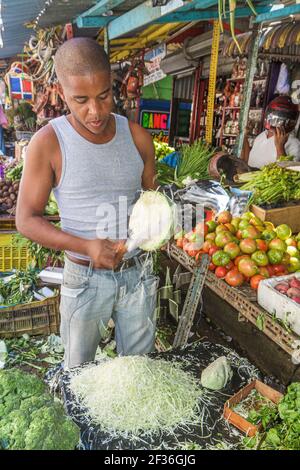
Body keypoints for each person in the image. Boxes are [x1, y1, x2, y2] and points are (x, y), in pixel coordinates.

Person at [16, 38, 158, 369]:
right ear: (60, 92)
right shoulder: (48, 142)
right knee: (78, 374)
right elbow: (26, 219)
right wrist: (85, 245)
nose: (95, 111)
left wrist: (159, 226)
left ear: (113, 85)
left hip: (137, 274)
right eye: (80, 100)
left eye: (104, 96)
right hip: (84, 278)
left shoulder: (137, 137)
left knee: (138, 372)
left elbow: (152, 201)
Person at [241, 96, 300, 168]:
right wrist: (244, 137)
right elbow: (249, 161)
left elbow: (289, 173)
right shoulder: (261, 136)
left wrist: (280, 147)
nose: (275, 122)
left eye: (280, 119)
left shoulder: (294, 144)